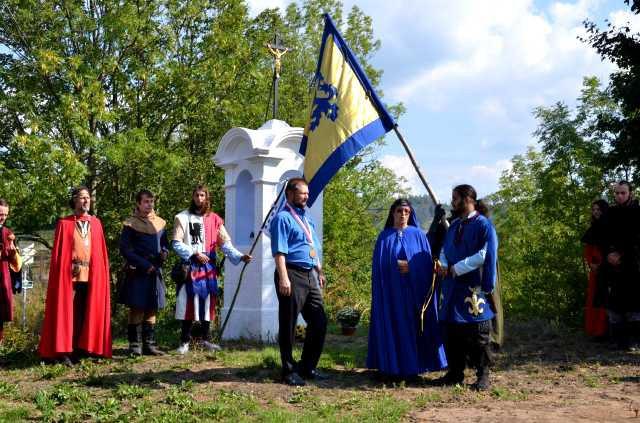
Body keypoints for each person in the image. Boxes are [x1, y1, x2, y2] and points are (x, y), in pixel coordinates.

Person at [367, 198, 447, 380]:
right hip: (391, 293)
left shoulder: (418, 235)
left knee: (413, 327)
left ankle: (413, 368)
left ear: (410, 214)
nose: (402, 215)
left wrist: (412, 268)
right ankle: (391, 368)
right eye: (399, 211)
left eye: (406, 212)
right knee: (393, 325)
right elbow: (378, 269)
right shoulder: (384, 237)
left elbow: (427, 264)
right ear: (392, 213)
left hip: (414, 293)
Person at [172, 185, 251, 354]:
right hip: (190, 266)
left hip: (208, 269)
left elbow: (225, 244)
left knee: (208, 302)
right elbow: (176, 243)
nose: (199, 199)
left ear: (207, 198)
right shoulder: (182, 217)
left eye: (202, 195)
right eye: (196, 195)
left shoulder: (215, 220)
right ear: (193, 197)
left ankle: (205, 340)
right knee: (187, 302)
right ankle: (184, 341)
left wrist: (240, 256)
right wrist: (194, 253)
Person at [38, 187, 112, 363]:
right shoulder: (65, 223)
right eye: (82, 198)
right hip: (69, 277)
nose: (86, 201)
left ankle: (84, 348)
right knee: (67, 312)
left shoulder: (96, 223)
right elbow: (60, 255)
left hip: (92, 276)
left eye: (88, 198)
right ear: (74, 201)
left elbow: (99, 253)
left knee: (87, 311)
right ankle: (64, 350)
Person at [437, 184, 498, 390]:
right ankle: (455, 373)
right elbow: (445, 249)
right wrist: (444, 265)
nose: (452, 202)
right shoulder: (454, 225)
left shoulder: (483, 225)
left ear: (468, 199)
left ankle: (483, 376)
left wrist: (457, 268)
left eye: (455, 198)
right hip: (452, 287)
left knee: (478, 334)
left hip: (473, 287)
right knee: (452, 331)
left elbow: (485, 254)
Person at [270, 178, 327, 386]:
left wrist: (319, 269)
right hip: (291, 274)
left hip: (309, 274)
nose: (306, 197)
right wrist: (283, 277)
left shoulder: (306, 217)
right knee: (289, 323)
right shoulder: (282, 218)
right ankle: (288, 370)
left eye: (307, 193)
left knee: (319, 320)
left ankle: (308, 366)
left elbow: (311, 245)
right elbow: (279, 251)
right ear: (290, 194)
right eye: (302, 193)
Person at [118, 190, 169, 356]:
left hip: (155, 269)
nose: (149, 204)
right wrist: (143, 264)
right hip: (138, 270)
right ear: (138, 204)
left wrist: (164, 253)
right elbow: (125, 249)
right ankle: (135, 345)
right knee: (137, 307)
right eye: (146, 201)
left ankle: (149, 344)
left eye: (151, 201)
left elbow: (165, 244)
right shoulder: (130, 224)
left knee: (152, 307)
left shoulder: (160, 223)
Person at [597, 181, 640, 350]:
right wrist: (609, 253)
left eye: (623, 192)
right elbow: (601, 237)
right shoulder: (610, 213)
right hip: (613, 267)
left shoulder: (638, 212)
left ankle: (635, 341)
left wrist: (621, 254)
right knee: (615, 304)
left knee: (634, 305)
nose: (619, 196)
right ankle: (617, 341)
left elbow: (637, 239)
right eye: (617, 193)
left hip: (633, 265)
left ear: (630, 193)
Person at [581, 199, 609, 339]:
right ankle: (594, 331)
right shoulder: (592, 229)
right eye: (594, 210)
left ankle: (604, 331)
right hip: (594, 269)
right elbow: (588, 250)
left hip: (608, 269)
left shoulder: (610, 227)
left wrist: (603, 264)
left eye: (599, 209)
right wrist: (591, 264)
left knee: (606, 300)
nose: (596, 212)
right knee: (594, 299)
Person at [0, 199, 22, 343]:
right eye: (0, 213)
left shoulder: (8, 233)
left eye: (5, 215)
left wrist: (13, 252)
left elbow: (16, 263)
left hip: (3, 277)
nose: (3, 217)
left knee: (0, 318)